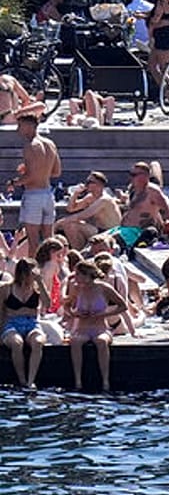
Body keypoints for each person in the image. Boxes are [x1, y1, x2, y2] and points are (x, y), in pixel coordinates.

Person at [65, 260, 127, 391]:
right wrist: (75, 314)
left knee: (101, 341)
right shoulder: (76, 288)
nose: (75, 277)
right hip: (82, 328)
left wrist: (103, 314)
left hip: (100, 327)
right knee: (75, 342)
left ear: (86, 275)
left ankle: (105, 380)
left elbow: (123, 306)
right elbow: (67, 305)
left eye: (78, 274)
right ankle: (78, 380)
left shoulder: (104, 288)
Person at [13, 114, 61, 258]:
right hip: (48, 194)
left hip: (34, 196)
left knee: (33, 242)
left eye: (20, 126)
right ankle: (51, 274)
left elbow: (31, 177)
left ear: (30, 126)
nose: (17, 130)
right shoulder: (50, 144)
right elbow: (56, 172)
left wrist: (15, 182)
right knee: (49, 241)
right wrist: (39, 171)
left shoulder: (30, 146)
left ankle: (32, 275)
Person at [2, 257, 46, 389]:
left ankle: (30, 380)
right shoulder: (7, 288)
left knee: (37, 342)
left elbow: (48, 304)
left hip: (31, 322)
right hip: (11, 323)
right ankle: (21, 379)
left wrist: (41, 283)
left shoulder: (37, 288)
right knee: (17, 343)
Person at [57, 171, 122, 250]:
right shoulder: (90, 197)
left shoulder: (105, 200)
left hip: (109, 233)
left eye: (90, 182)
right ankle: (79, 251)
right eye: (86, 182)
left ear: (99, 185)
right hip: (97, 230)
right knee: (69, 224)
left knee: (71, 225)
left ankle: (79, 252)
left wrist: (57, 224)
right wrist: (76, 194)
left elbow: (81, 216)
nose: (86, 184)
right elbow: (70, 209)